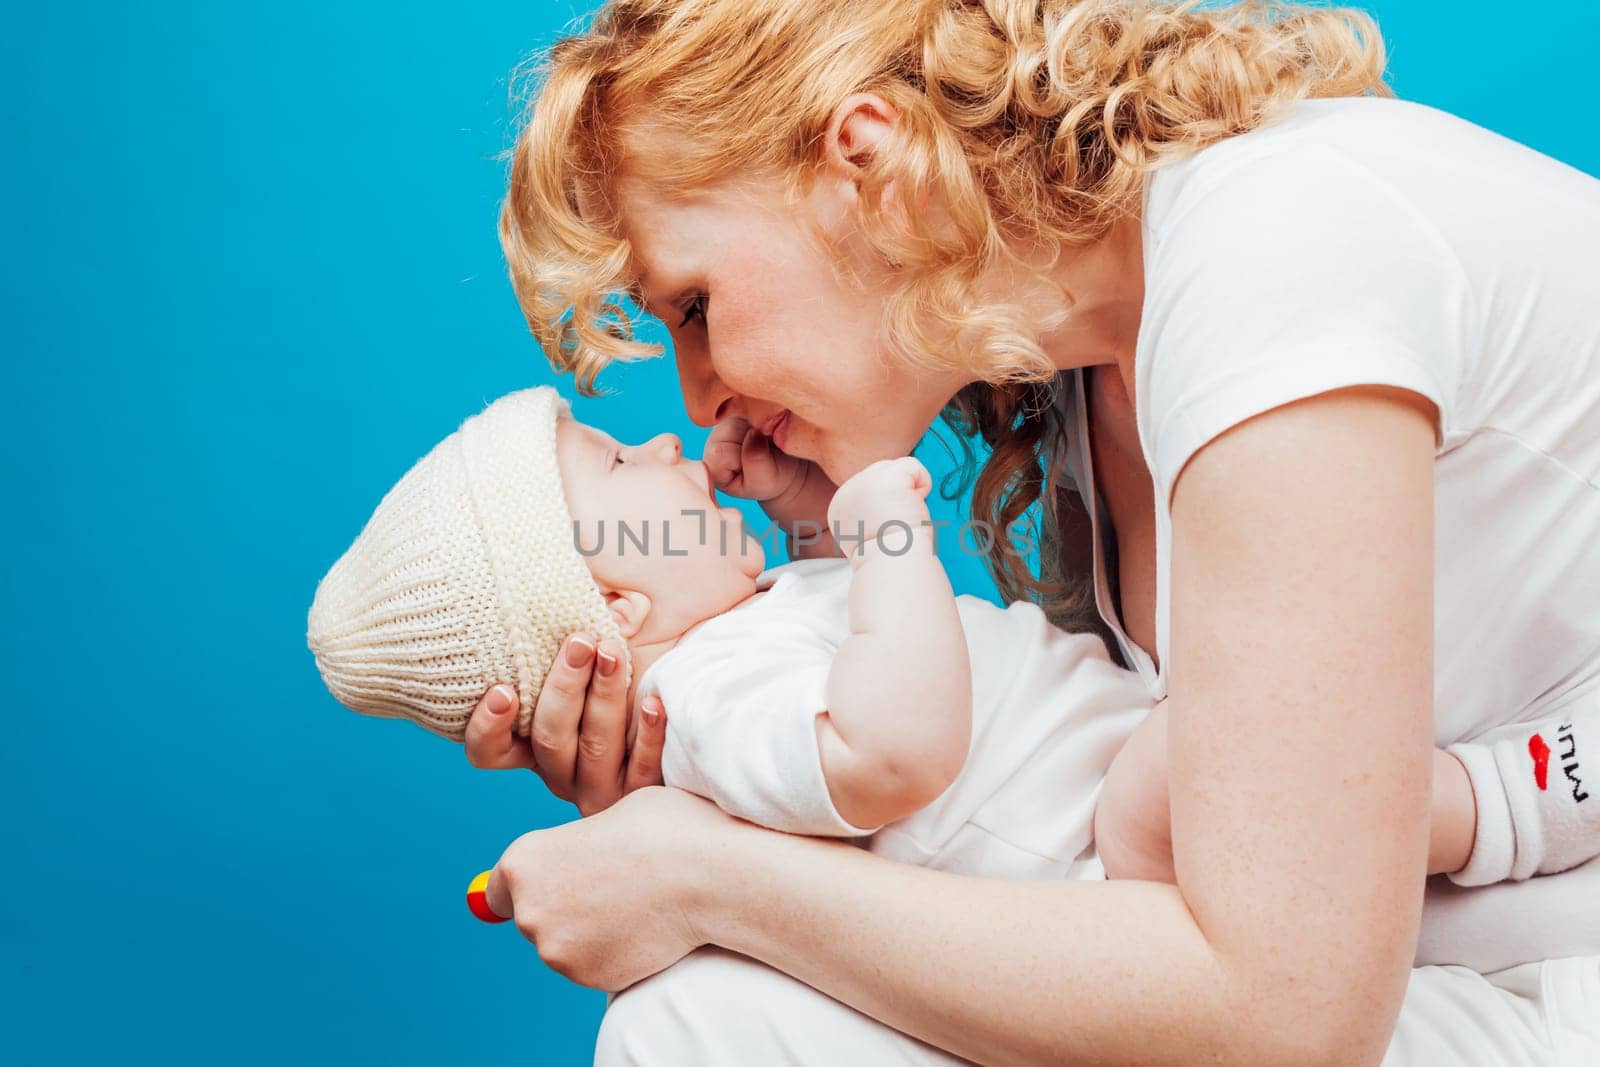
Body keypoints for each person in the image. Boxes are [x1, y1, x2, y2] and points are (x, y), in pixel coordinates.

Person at [466, 1, 1600, 1062]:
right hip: (1462, 983)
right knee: (705, 1005)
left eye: (695, 307)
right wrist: (715, 763)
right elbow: (1099, 859)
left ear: (869, 164)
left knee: (703, 1016)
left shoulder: (1275, 259)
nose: (698, 400)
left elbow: (1284, 1016)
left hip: (1551, 986)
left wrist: (704, 872)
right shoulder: (1089, 382)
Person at [308, 389, 1594, 910]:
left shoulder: (745, 639)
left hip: (1117, 780)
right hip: (1116, 864)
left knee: (1261, 740)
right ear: (615, 614)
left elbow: (845, 647)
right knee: (1224, 753)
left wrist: (813, 512)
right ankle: (1506, 806)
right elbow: (885, 749)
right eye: (616, 469)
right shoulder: (704, 700)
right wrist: (879, 538)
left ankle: (1461, 826)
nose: (661, 452)